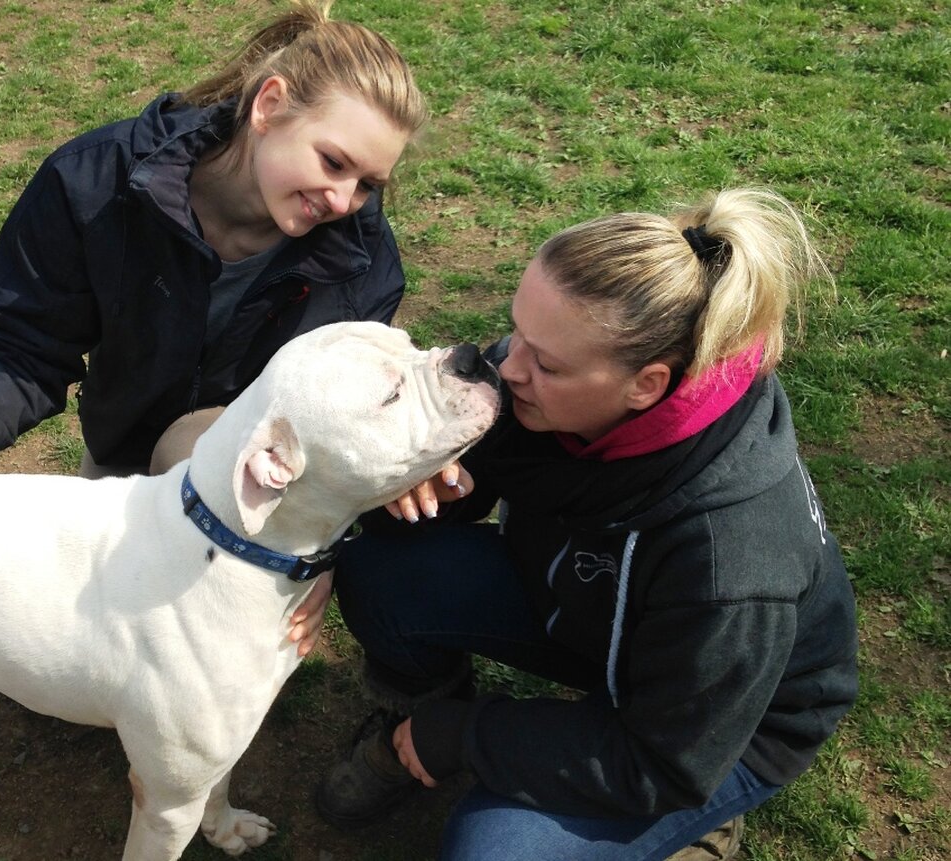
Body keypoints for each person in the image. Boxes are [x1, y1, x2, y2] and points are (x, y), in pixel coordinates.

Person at [0, 0, 425, 649]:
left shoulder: (362, 260)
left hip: (263, 491)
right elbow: (25, 349)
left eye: (368, 184)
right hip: (123, 460)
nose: (344, 200)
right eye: (333, 162)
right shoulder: (96, 183)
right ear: (268, 106)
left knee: (186, 624)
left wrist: (310, 555)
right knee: (58, 641)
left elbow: (343, 426)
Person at [315, 188, 859, 861]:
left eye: (546, 364)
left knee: (494, 852)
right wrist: (424, 484)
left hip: (714, 726)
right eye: (517, 331)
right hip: (592, 607)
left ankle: (695, 827)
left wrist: (464, 736)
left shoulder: (733, 562)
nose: (507, 367)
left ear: (646, 386)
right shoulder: (550, 380)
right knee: (380, 572)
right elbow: (462, 479)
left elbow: (662, 762)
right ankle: (419, 716)